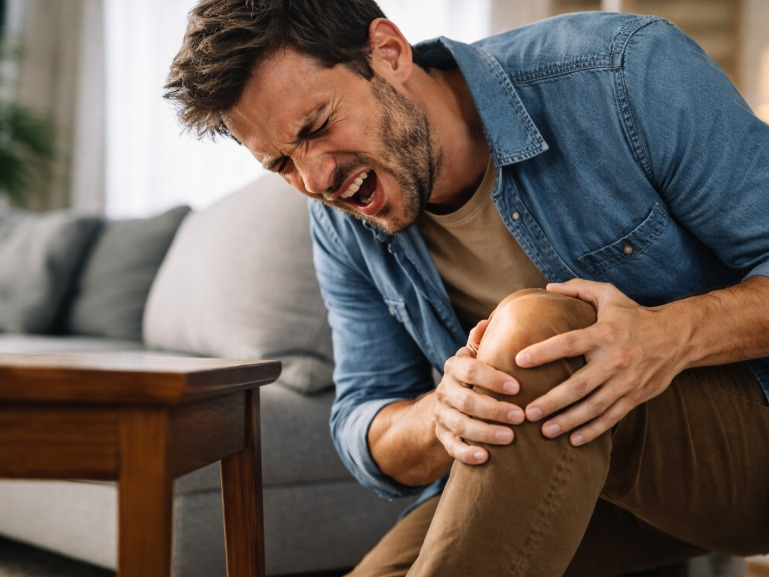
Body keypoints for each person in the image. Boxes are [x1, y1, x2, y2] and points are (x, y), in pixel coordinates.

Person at [164, 1, 769, 575]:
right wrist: (440, 416)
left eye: (319, 124)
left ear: (389, 53)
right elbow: (365, 417)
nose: (316, 177)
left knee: (536, 333)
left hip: (749, 454)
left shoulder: (620, 72)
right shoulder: (338, 218)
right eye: (281, 164)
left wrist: (670, 336)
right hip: (576, 472)